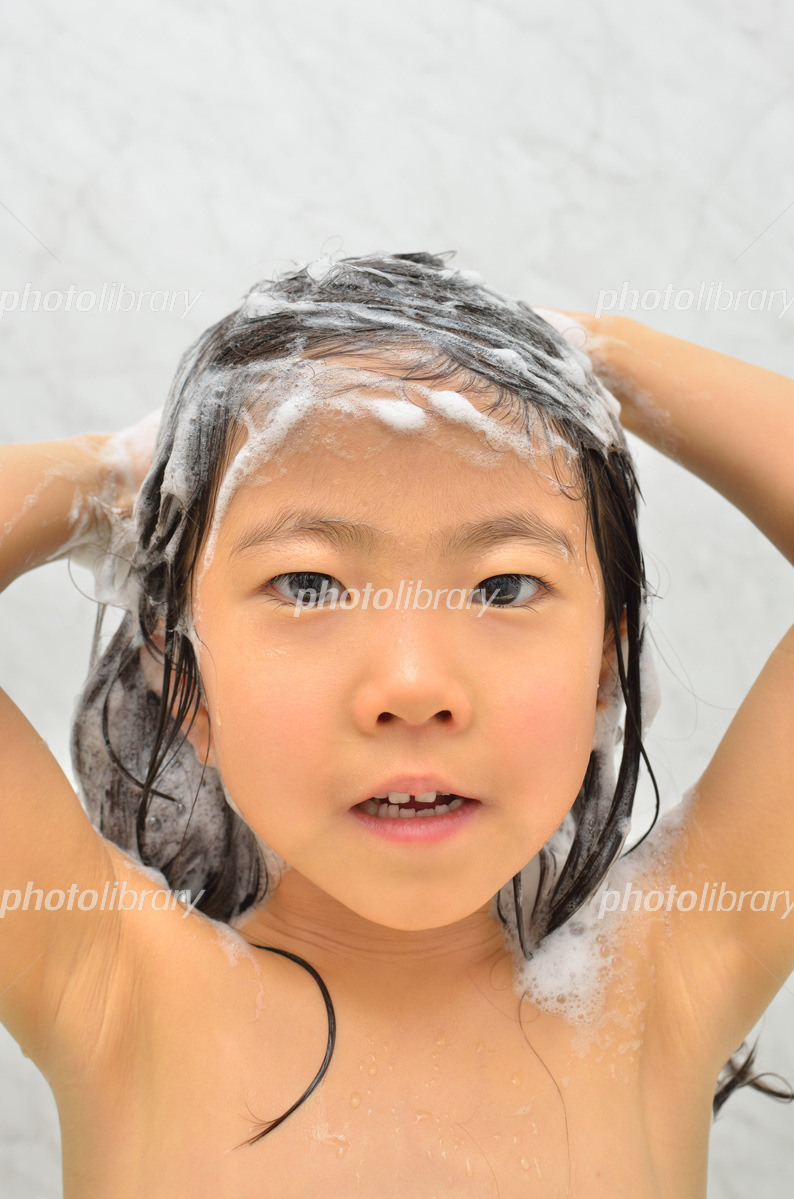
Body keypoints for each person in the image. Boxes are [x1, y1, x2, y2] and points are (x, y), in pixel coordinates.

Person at [0, 250, 791, 1197]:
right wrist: (118, 476)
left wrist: (585, 355)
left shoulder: (664, 988)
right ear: (187, 686)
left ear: (601, 674)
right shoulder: (111, 987)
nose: (413, 686)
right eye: (306, 583)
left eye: (504, 585)